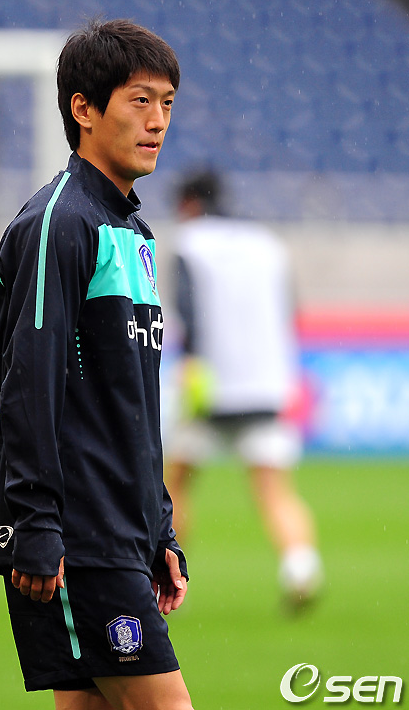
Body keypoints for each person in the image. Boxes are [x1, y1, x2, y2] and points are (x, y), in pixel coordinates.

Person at [0, 19, 193, 710]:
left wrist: (159, 526)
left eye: (167, 103)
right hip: (78, 539)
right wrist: (36, 525)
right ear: (83, 108)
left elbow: (130, 404)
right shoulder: (60, 223)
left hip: (118, 536)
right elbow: (31, 384)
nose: (158, 121)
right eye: (140, 100)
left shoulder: (132, 231)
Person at [164, 171, 323, 610]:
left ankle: (166, 575)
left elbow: (187, 310)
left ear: (189, 204)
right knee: (274, 489)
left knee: (176, 484)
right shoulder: (268, 243)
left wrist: (191, 364)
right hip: (267, 384)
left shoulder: (190, 242)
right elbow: (289, 308)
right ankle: (301, 567)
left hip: (210, 387)